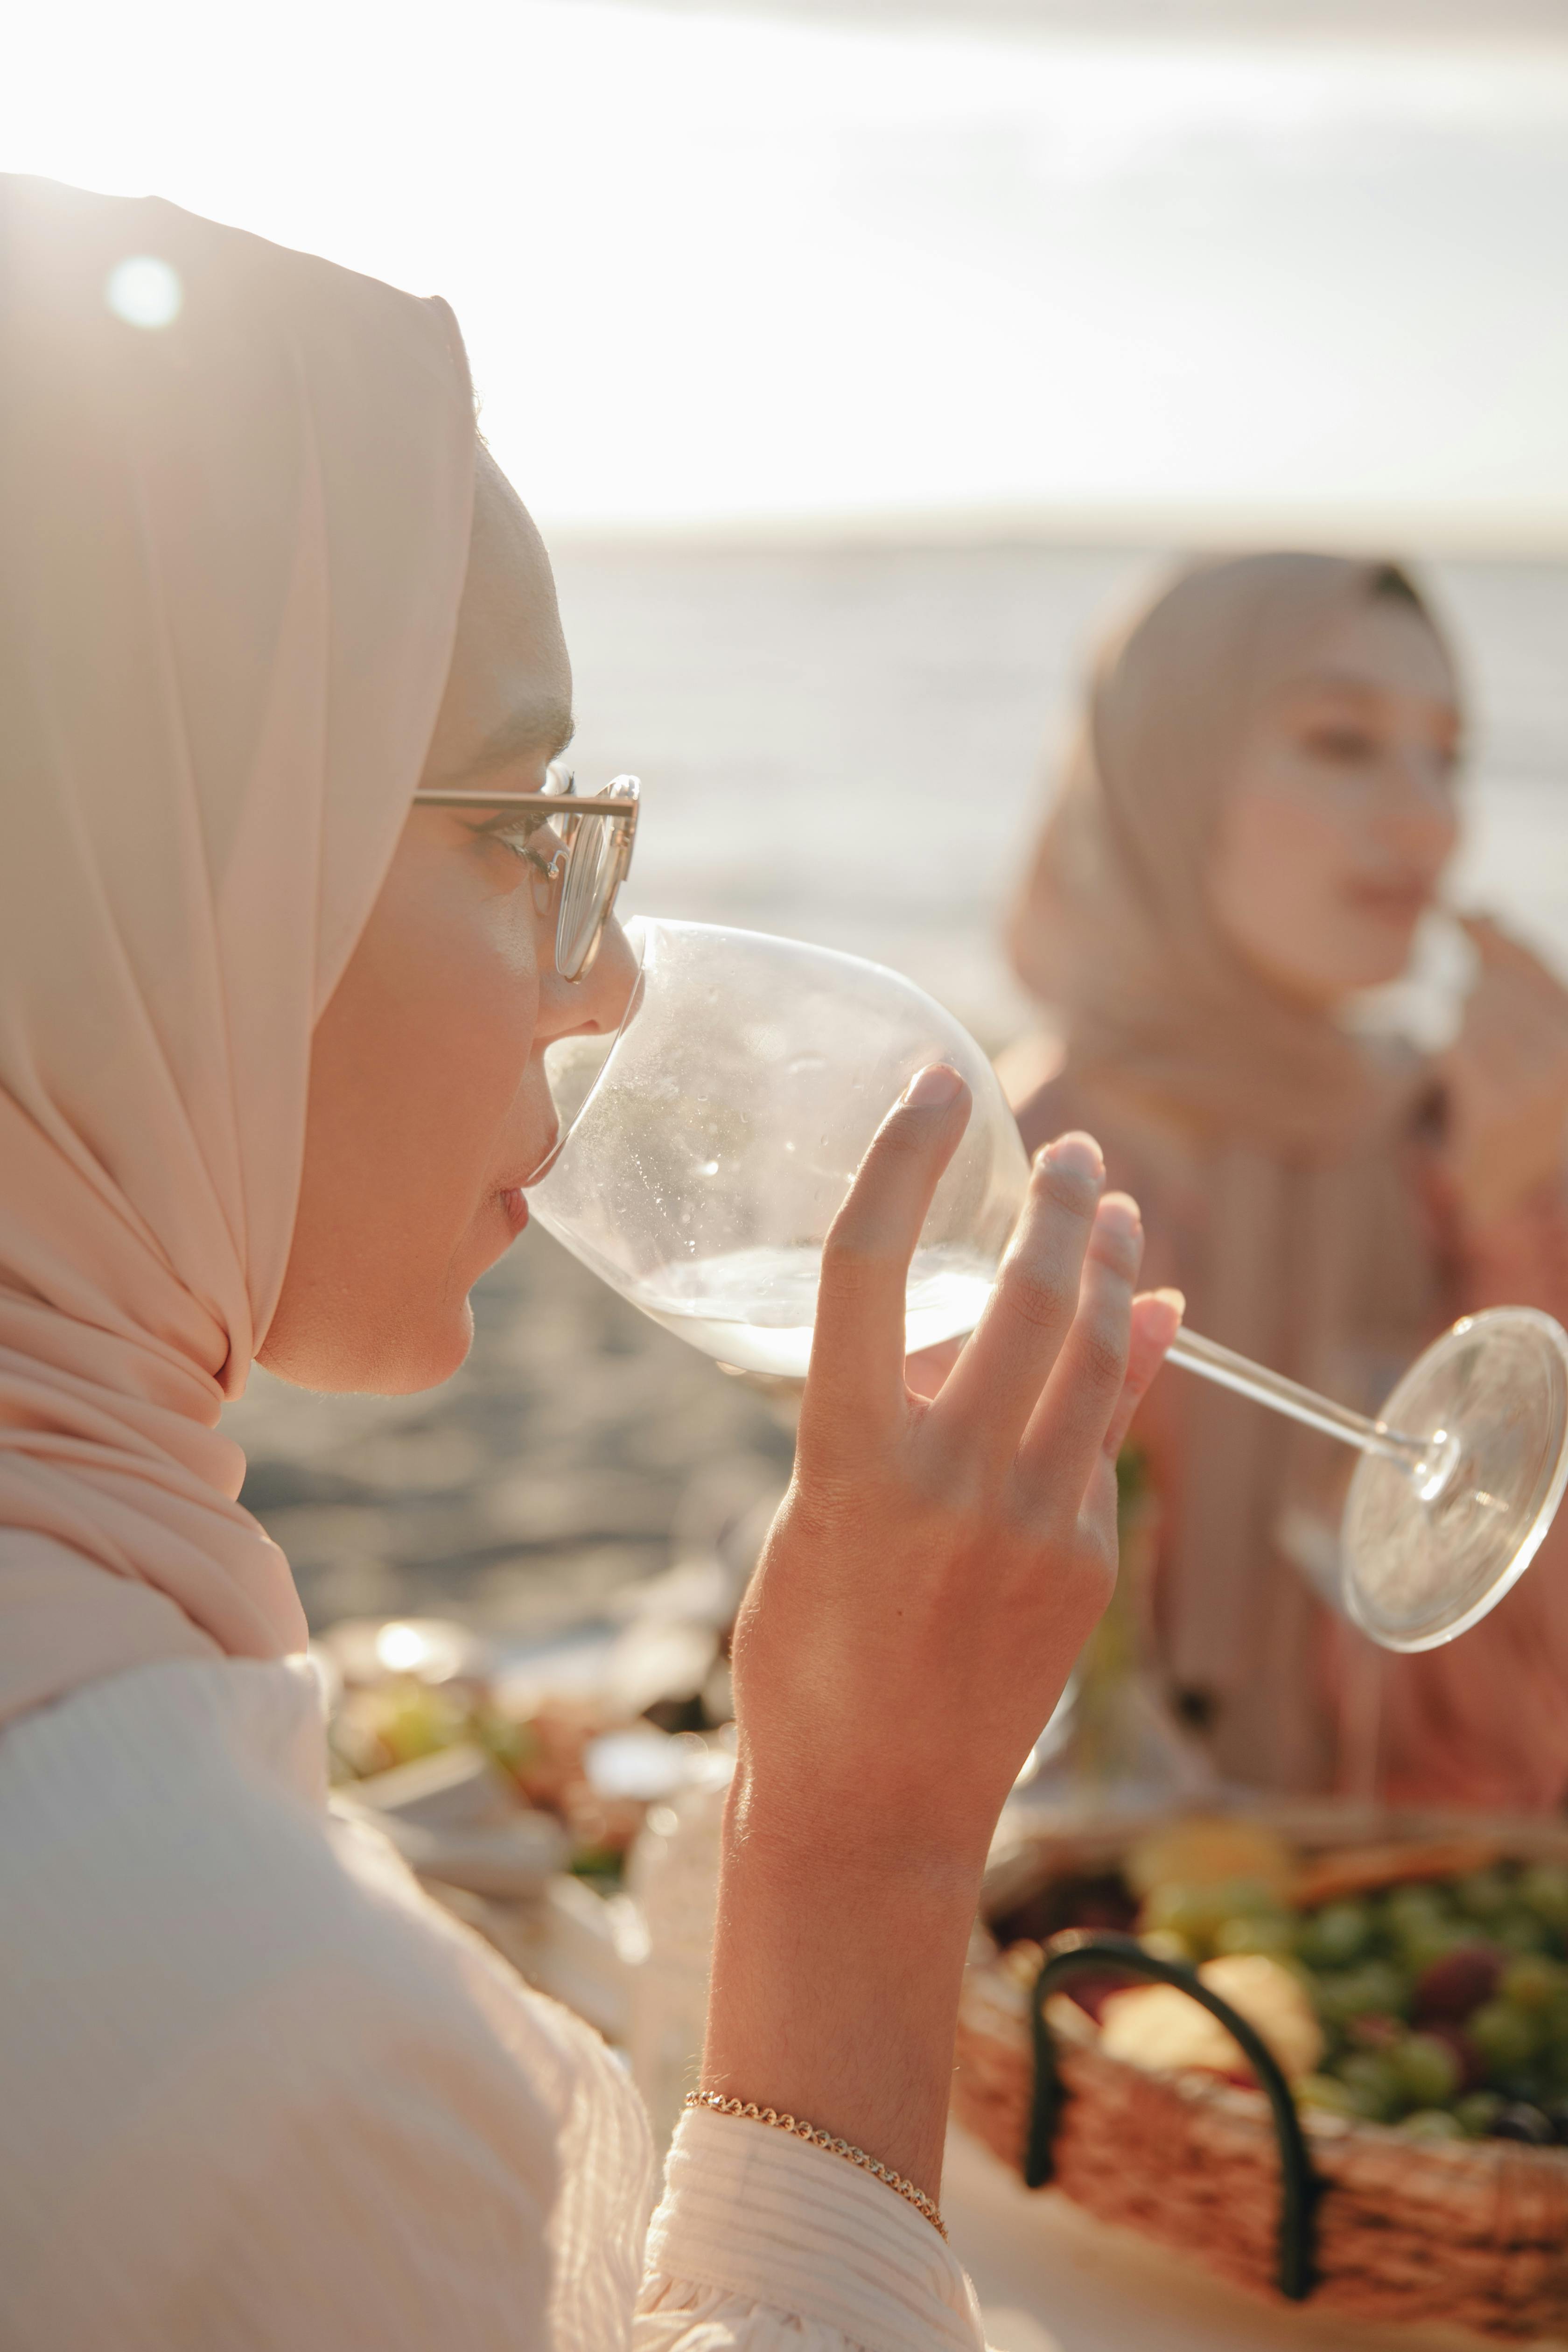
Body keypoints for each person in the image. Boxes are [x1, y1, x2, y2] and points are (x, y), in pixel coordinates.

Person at [0, 176, 1181, 2350]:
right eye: (532, 831)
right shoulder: (245, 2037)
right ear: (188, 871)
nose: (613, 977)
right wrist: (866, 1852)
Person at [1004, 551, 1568, 1810]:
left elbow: (1533, 1738)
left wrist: (1508, 1225)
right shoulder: (1019, 1173)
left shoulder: (1470, 1139)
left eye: (1449, 756)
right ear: (1167, 770)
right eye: (1343, 741)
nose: (1431, 819)